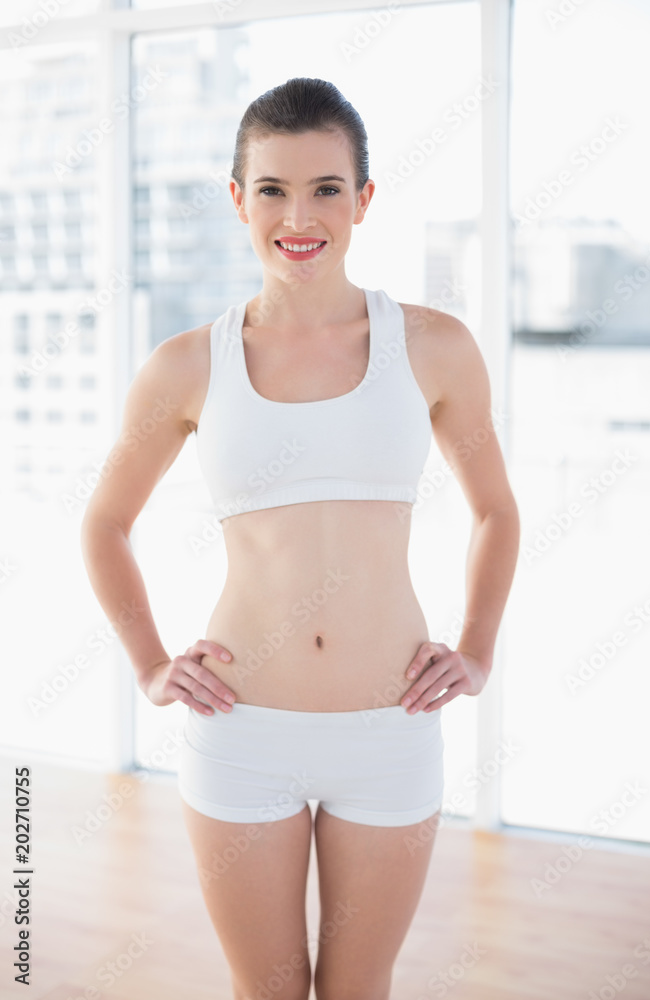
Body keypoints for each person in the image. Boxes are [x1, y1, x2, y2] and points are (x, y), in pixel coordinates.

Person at [81, 77, 520, 1000]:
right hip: (239, 728)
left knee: (358, 988)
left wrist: (476, 651)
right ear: (238, 199)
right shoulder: (186, 365)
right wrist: (151, 664)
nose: (299, 215)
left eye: (325, 188)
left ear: (363, 200)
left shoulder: (434, 346)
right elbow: (106, 522)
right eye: (272, 189)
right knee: (267, 989)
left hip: (389, 726)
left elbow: (495, 511)